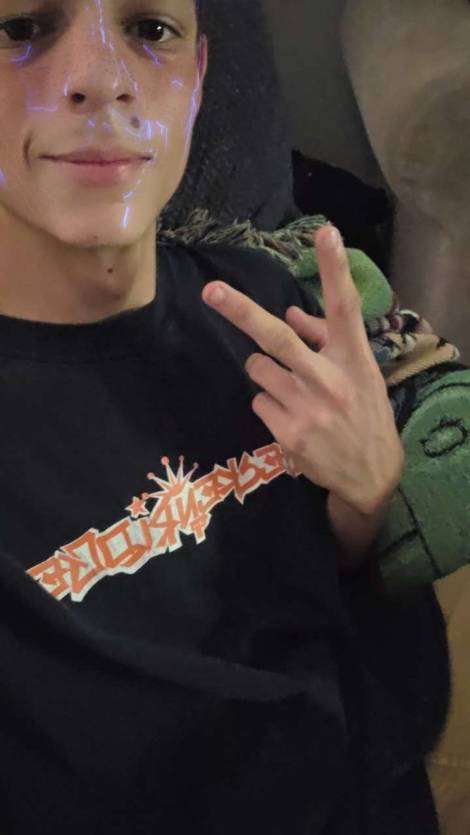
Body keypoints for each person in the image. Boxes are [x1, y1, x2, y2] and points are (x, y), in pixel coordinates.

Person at [0, 1, 451, 832]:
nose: (102, 78)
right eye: (23, 29)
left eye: (150, 30)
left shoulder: (261, 299)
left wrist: (365, 497)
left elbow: (352, 633)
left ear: (199, 81)